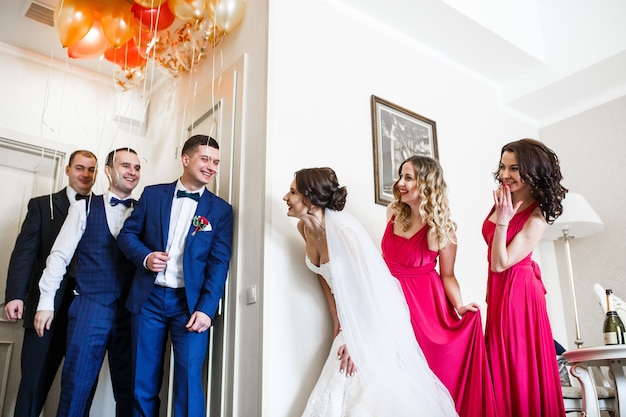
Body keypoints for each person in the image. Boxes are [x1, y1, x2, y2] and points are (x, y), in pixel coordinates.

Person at [283, 167, 458, 417]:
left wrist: (358, 342)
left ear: (311, 201)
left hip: (371, 324)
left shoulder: (347, 237)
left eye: (292, 192)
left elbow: (374, 294)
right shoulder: (305, 229)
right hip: (348, 325)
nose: (285, 197)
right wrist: (338, 328)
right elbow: (324, 277)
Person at [118, 135, 233, 417]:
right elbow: (127, 235)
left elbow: (219, 264)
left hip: (190, 305)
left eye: (216, 162)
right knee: (141, 381)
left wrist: (206, 309)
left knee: (190, 380)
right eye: (205, 159)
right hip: (149, 299)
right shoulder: (153, 194)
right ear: (186, 159)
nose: (211, 167)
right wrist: (145, 257)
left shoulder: (221, 210)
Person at [380, 155, 498, 417]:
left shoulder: (441, 229)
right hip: (389, 299)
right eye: (401, 175)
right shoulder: (391, 213)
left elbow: (447, 275)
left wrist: (459, 306)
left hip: (424, 309)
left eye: (408, 177)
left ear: (426, 183)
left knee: (427, 374)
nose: (400, 182)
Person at [33, 148, 141, 416]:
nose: (132, 172)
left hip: (130, 312)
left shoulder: (145, 210)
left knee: (130, 391)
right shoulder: (83, 207)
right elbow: (59, 256)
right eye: (125, 165)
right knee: (76, 388)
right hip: (89, 307)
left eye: (137, 168)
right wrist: (45, 302)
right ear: (108, 170)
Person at [4, 149, 97, 417]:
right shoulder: (41, 205)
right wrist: (15, 296)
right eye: (80, 168)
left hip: (82, 307)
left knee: (78, 382)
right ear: (68, 170)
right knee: (33, 380)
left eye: (91, 170)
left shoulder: (99, 208)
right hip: (44, 303)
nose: (85, 174)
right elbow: (24, 253)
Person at [482, 138, 567, 416]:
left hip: (518, 293)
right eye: (503, 167)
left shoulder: (537, 218)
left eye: (514, 168)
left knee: (515, 366)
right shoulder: (505, 200)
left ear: (532, 171)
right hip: (498, 292)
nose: (505, 174)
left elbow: (500, 263)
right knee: (497, 363)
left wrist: (504, 219)